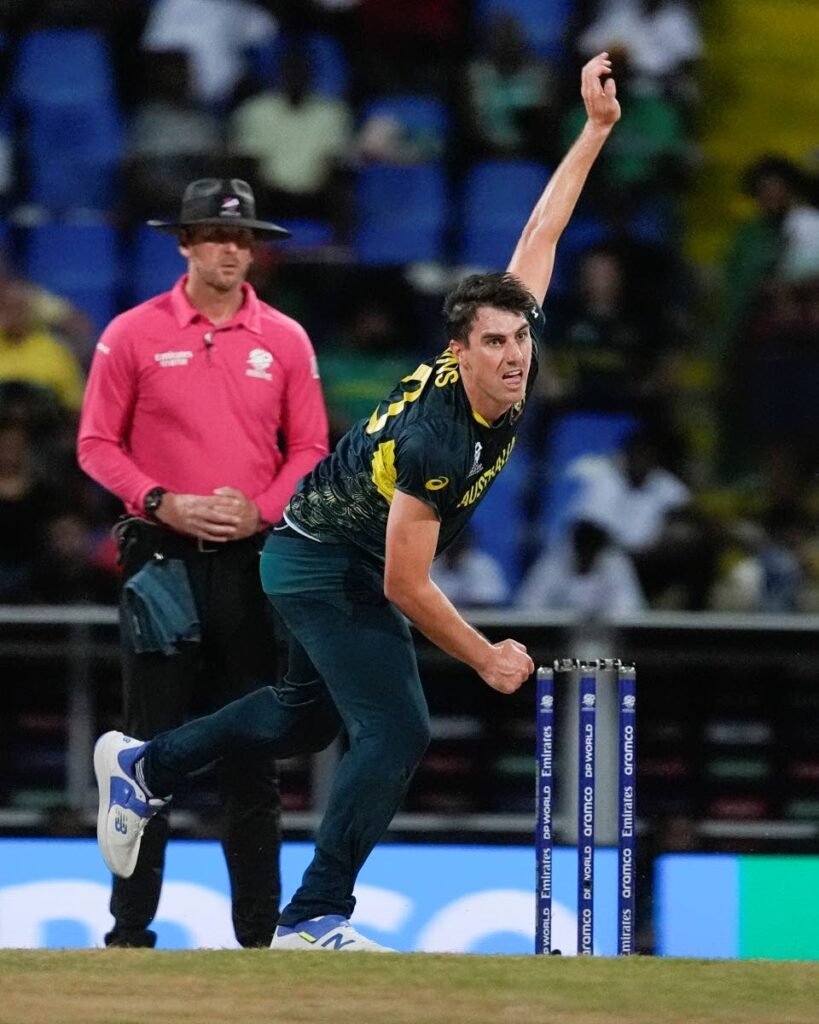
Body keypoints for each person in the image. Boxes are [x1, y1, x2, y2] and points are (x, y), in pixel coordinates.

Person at [93, 54, 620, 952]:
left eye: (520, 338)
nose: (514, 356)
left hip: (309, 544)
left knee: (304, 716)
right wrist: (486, 655)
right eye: (493, 342)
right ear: (457, 354)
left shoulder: (507, 349)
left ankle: (146, 763)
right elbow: (406, 584)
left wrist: (595, 131)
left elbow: (541, 225)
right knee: (397, 728)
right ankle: (313, 916)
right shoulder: (438, 440)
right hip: (319, 560)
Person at [78, 178, 329, 949]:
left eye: (242, 238)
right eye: (214, 236)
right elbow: (95, 446)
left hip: (253, 557)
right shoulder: (131, 334)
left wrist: (263, 508)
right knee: (145, 752)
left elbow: (311, 449)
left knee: (253, 755)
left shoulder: (284, 338)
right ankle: (128, 935)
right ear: (183, 244)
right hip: (160, 559)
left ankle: (258, 939)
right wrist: (162, 501)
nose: (230, 250)